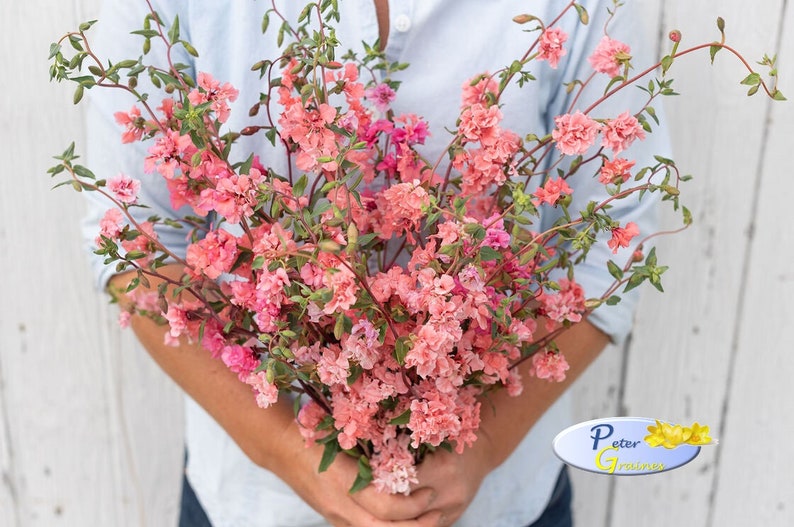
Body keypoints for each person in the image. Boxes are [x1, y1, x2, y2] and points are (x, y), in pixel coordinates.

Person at [82, 1, 667, 525]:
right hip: (257, 500)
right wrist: (291, 451)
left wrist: (483, 444)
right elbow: (139, 251)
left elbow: (617, 242)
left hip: (496, 498)